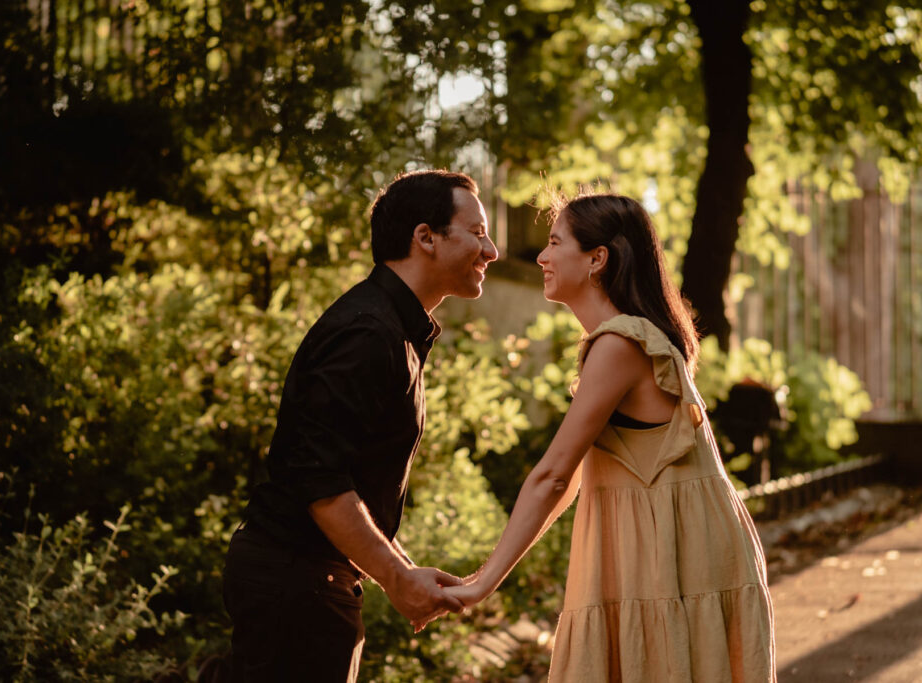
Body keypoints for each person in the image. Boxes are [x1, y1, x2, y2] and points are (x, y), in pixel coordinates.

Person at [445, 190, 776, 681]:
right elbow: (572, 479)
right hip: (670, 552)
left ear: (597, 259)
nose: (541, 256)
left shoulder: (621, 343)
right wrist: (479, 578)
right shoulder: (625, 339)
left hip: (674, 560)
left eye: (555, 242)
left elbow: (552, 476)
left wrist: (480, 586)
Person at [223, 169, 499, 682]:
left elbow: (342, 478)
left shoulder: (395, 329)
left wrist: (404, 569)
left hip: (310, 583)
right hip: (295, 586)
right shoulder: (368, 331)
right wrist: (396, 578)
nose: (493, 251)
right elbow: (319, 480)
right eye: (478, 232)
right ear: (426, 238)